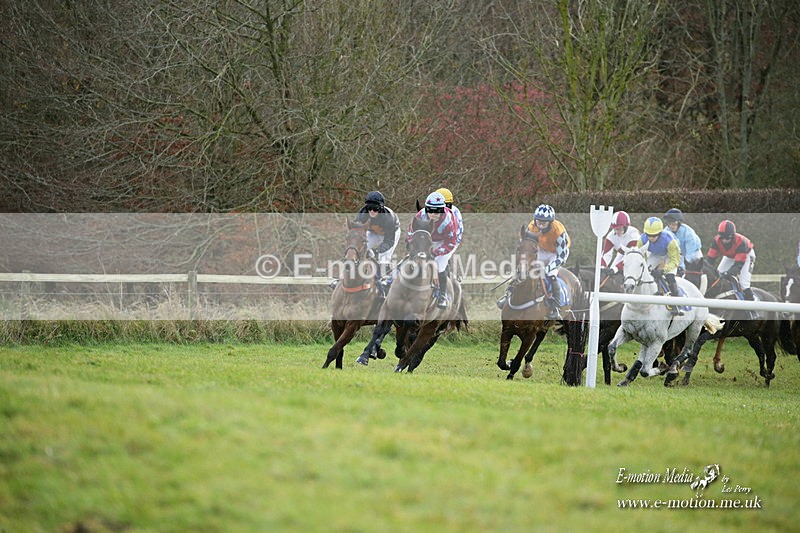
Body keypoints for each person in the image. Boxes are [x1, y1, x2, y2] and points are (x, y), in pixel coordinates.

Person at [498, 204, 570, 319]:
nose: (540, 225)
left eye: (544, 223)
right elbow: (526, 246)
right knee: (523, 270)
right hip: (540, 250)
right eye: (538, 221)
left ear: (550, 222)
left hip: (556, 253)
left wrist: (546, 268)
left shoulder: (559, 232)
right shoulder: (531, 227)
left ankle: (555, 307)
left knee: (550, 275)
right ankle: (507, 294)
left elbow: (562, 257)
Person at [331, 191, 400, 294]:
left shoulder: (388, 218)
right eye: (369, 208)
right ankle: (342, 277)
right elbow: (356, 233)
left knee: (384, 256)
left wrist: (376, 251)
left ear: (381, 208)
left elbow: (389, 242)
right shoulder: (363, 214)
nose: (372, 211)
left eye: (375, 208)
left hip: (390, 234)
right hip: (372, 232)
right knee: (359, 249)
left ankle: (384, 281)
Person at [410, 191, 459, 309]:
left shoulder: (448, 222)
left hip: (446, 241)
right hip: (427, 239)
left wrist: (434, 253)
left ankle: (442, 295)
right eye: (430, 210)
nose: (433, 214)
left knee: (439, 266)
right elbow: (411, 234)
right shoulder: (420, 216)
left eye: (437, 211)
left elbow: (450, 244)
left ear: (443, 210)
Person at [638, 216, 683, 316]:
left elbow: (674, 261)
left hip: (670, 256)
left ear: (659, 233)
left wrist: (663, 270)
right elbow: (640, 256)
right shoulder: (642, 239)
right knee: (645, 272)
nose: (650, 238)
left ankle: (677, 304)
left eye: (653, 236)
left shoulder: (670, 241)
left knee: (670, 276)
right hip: (655, 254)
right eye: (648, 235)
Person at [706, 220, 756, 303]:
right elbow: (710, 259)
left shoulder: (741, 242)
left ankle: (752, 308)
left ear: (732, 236)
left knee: (744, 284)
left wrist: (728, 273)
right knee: (718, 277)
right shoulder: (716, 241)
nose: (724, 240)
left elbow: (738, 265)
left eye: (727, 238)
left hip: (746, 255)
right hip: (730, 256)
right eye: (722, 238)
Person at [663, 208, 703, 277]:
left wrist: (681, 267)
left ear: (679, 223)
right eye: (669, 223)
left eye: (674, 223)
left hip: (694, 254)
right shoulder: (665, 232)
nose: (671, 226)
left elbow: (690, 254)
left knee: (693, 275)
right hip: (679, 254)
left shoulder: (688, 233)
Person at [600, 210, 640, 275]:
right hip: (622, 254)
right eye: (615, 229)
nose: (618, 231)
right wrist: (602, 267)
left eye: (620, 228)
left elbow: (630, 257)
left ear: (626, 227)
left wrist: (616, 268)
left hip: (637, 256)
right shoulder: (611, 236)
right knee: (610, 273)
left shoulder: (634, 235)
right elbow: (606, 254)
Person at [436, 187, 463, 255]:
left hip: (449, 241)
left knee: (440, 263)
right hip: (433, 240)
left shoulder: (454, 212)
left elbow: (457, 231)